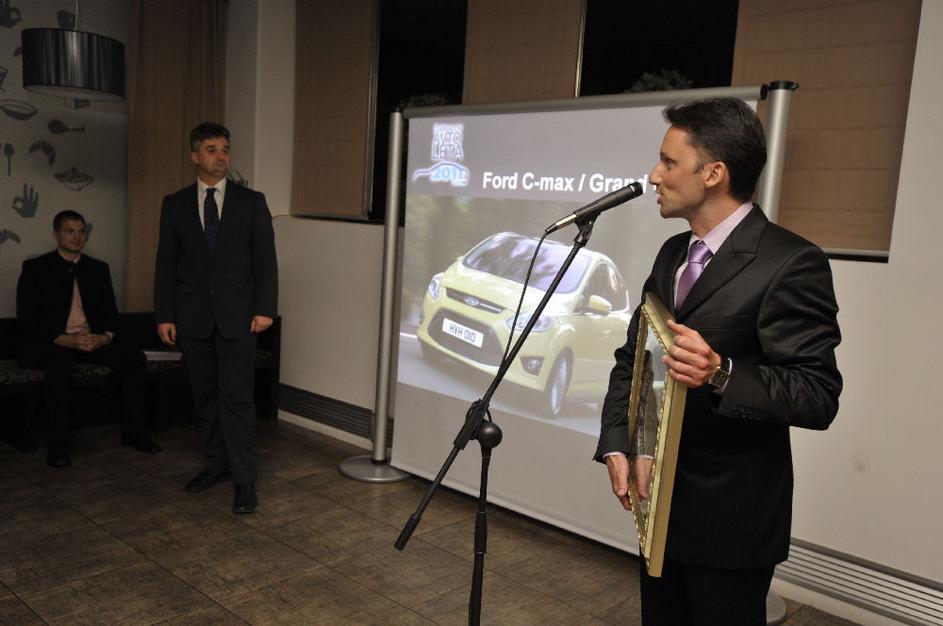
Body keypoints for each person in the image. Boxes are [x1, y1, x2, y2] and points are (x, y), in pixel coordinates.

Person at [595, 98, 842, 625]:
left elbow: (817, 395)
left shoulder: (791, 262)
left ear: (713, 174)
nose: (654, 175)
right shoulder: (672, 253)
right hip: (661, 511)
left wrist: (721, 373)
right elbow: (633, 358)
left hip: (732, 522)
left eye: (669, 162)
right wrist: (620, 440)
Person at [154, 122, 277, 515]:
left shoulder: (251, 202)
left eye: (225, 150)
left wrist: (265, 308)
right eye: (211, 150)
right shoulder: (175, 204)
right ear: (195, 156)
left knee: (237, 400)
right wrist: (165, 315)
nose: (220, 157)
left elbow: (265, 260)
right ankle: (216, 466)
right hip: (192, 319)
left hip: (239, 318)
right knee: (205, 398)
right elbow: (166, 264)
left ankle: (244, 480)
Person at [16, 210, 161, 468]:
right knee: (59, 365)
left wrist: (103, 338)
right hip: (54, 342)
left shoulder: (98, 269)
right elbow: (28, 318)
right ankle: (59, 446)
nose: (77, 236)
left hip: (91, 339)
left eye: (82, 231)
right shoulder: (36, 268)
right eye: (70, 231)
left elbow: (110, 315)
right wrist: (63, 339)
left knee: (133, 358)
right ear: (56, 234)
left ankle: (135, 432)